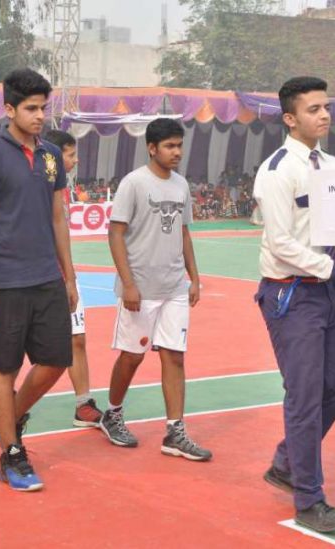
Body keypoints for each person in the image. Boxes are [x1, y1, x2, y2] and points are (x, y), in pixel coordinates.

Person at [253, 76, 335, 533]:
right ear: (290, 118)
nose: (324, 115)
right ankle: (309, 498)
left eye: (326, 107)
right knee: (303, 396)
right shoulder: (277, 171)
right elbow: (281, 245)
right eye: (313, 109)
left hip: (328, 294)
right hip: (291, 294)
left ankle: (287, 462)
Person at [0, 68, 78, 491]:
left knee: (57, 361)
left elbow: (58, 217)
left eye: (43, 108)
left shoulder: (51, 156)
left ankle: (8, 416)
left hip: (47, 276)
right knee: (5, 366)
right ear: (9, 109)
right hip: (4, 280)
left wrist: (69, 276)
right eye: (31, 108)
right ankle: (11, 453)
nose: (40, 116)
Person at [102, 118, 212, 462]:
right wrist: (129, 284)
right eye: (169, 146)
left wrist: (194, 278)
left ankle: (175, 432)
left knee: (175, 356)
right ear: (152, 148)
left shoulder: (181, 185)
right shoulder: (134, 183)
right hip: (140, 288)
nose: (177, 152)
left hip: (174, 286)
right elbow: (115, 233)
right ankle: (112, 413)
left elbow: (184, 233)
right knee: (132, 356)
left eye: (179, 145)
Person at [44, 129, 103, 427]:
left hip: (63, 275)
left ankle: (83, 404)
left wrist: (69, 275)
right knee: (21, 347)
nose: (76, 160)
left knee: (77, 339)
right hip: (34, 276)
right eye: (71, 154)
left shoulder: (63, 189)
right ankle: (8, 403)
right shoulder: (34, 185)